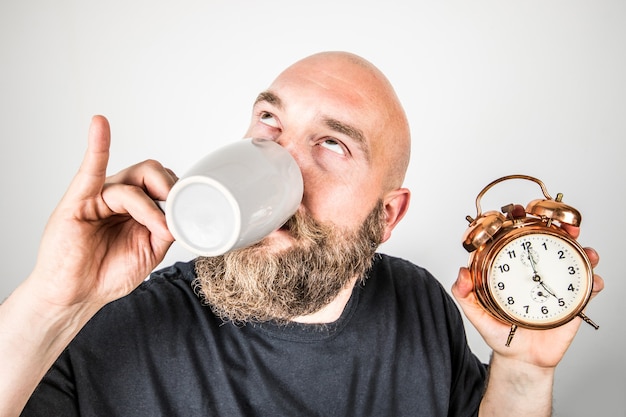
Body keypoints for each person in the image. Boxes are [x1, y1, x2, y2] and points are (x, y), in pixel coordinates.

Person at [0, 51, 603, 416]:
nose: (281, 161)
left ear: (387, 216)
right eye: (270, 121)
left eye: (332, 144)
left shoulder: (420, 305)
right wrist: (49, 304)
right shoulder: (108, 325)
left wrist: (525, 372)